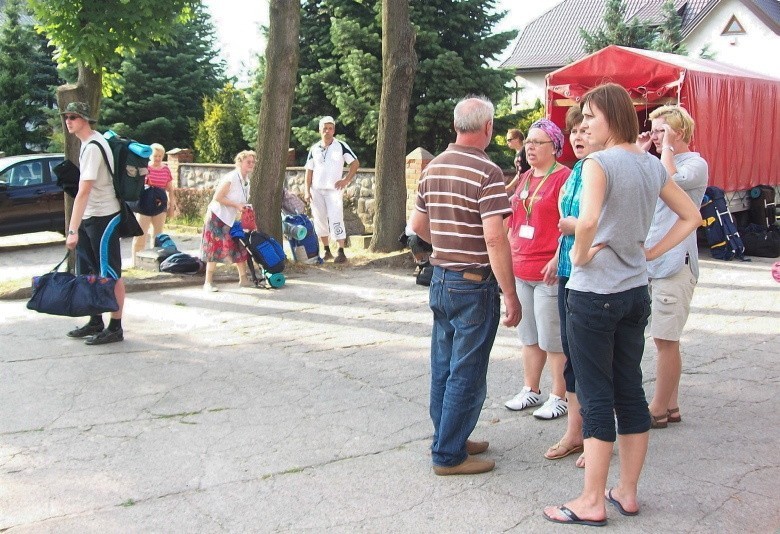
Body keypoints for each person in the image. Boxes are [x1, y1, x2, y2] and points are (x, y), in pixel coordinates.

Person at [542, 83, 701, 526]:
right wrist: (648, 253)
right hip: (634, 292)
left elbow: (589, 221)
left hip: (594, 295)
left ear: (613, 116)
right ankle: (626, 492)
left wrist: (577, 249)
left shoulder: (598, 163)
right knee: (629, 390)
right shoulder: (650, 164)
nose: (584, 123)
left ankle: (591, 500)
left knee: (594, 395)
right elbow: (691, 216)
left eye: (591, 115)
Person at [409, 96, 521, 476]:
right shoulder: (488, 172)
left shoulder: (434, 167)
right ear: (487, 127)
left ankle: (448, 435)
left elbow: (418, 228)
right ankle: (449, 456)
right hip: (474, 283)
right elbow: (495, 239)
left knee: (443, 366)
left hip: (441, 280)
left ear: (457, 124)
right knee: (467, 371)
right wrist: (511, 293)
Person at [639, 105, 708, 428]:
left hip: (675, 262)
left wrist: (665, 148)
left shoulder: (695, 164)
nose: (653, 136)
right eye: (652, 130)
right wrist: (641, 154)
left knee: (666, 340)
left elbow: (668, 180)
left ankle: (658, 409)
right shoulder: (653, 161)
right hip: (653, 262)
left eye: (660, 130)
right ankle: (672, 404)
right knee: (662, 339)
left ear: (679, 132)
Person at [504, 119, 571, 420]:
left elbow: (570, 225)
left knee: (552, 338)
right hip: (521, 266)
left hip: (548, 270)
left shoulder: (564, 178)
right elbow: (516, 220)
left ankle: (560, 394)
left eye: (538, 142)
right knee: (528, 336)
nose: (529, 147)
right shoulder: (526, 177)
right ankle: (531, 389)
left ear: (554, 147)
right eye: (528, 142)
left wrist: (558, 258)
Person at [542, 105, 596, 466]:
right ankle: (576, 433)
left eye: (584, 130)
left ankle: (594, 435)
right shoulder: (578, 169)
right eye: (574, 131)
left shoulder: (602, 170)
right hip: (568, 270)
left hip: (592, 275)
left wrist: (575, 229)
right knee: (572, 356)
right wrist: (556, 256)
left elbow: (600, 224)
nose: (577, 136)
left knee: (591, 358)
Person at [61, 102, 125, 345]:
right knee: (90, 272)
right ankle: (95, 320)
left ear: (85, 119)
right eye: (66, 117)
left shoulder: (94, 147)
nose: (68, 121)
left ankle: (116, 327)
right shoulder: (86, 143)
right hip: (91, 216)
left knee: (111, 274)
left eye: (73, 117)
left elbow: (84, 191)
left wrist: (72, 230)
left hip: (104, 216)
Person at [304, 116, 359, 263]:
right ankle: (326, 250)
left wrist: (346, 179)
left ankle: (340, 250)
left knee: (336, 218)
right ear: (320, 130)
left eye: (330, 128)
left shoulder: (341, 146)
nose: (327, 131)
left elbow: (354, 163)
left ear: (334, 130)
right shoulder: (314, 148)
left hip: (334, 190)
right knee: (319, 219)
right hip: (316, 190)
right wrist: (306, 190)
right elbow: (309, 171)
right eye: (324, 128)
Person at [200, 150, 255, 292]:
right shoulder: (231, 178)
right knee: (214, 249)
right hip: (217, 217)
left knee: (238, 245)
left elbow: (241, 200)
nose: (251, 164)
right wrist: (237, 206)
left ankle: (243, 279)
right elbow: (218, 197)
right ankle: (208, 282)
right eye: (248, 161)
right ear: (239, 162)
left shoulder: (246, 180)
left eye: (253, 162)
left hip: (230, 219)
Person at [131, 143, 175, 267]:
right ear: (150, 156)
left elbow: (170, 188)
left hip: (159, 205)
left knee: (158, 235)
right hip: (144, 204)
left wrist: (172, 206)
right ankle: (136, 262)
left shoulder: (166, 169)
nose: (157, 158)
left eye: (160, 156)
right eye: (155, 155)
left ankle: (154, 262)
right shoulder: (145, 167)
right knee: (140, 234)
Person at [504, 128, 530, 194]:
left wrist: (509, 187)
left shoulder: (525, 151)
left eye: (509, 140)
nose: (507, 142)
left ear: (517, 139)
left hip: (528, 184)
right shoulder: (518, 153)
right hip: (524, 184)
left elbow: (521, 174)